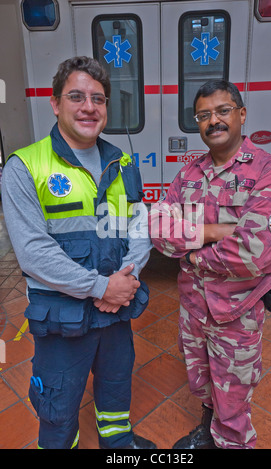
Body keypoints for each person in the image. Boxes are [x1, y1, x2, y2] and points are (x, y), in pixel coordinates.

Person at [2, 56, 156, 450]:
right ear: (55, 103)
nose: (89, 107)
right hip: (63, 317)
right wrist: (101, 287)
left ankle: (117, 443)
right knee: (58, 408)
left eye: (99, 99)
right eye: (76, 96)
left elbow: (139, 225)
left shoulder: (121, 162)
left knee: (117, 384)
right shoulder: (25, 166)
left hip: (115, 311)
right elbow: (33, 252)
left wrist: (127, 276)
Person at [149, 80, 271, 449]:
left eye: (223, 110)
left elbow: (254, 250)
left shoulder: (269, 172)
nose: (213, 121)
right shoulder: (188, 174)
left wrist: (194, 254)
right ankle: (210, 430)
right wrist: (216, 230)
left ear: (241, 115)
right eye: (204, 115)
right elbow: (158, 229)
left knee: (233, 398)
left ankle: (231, 440)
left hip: (236, 314)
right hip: (194, 310)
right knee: (201, 382)